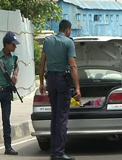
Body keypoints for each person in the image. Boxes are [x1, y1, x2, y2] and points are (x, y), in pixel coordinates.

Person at [39, 20, 81, 160]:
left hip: (50, 80)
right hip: (63, 81)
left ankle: (53, 150)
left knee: (55, 116)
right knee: (62, 118)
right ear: (68, 30)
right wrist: (77, 88)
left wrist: (41, 83)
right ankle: (59, 152)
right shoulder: (68, 43)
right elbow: (73, 66)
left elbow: (42, 63)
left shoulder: (48, 41)